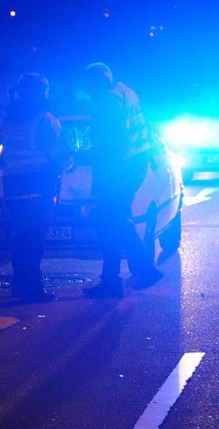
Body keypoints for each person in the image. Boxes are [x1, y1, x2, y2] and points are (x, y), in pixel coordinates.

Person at [80, 62, 163, 298]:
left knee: (113, 220)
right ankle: (112, 280)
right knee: (112, 222)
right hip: (134, 165)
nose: (87, 93)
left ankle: (143, 269)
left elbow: (109, 144)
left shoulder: (108, 102)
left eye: (88, 87)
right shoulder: (127, 93)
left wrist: (98, 174)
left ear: (97, 83)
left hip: (118, 170)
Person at [0, 73, 71, 302]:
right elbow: (58, 152)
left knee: (21, 237)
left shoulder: (10, 118)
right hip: (37, 184)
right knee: (35, 238)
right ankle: (32, 288)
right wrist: (69, 162)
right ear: (40, 93)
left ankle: (19, 284)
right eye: (45, 90)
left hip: (12, 185)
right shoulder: (44, 119)